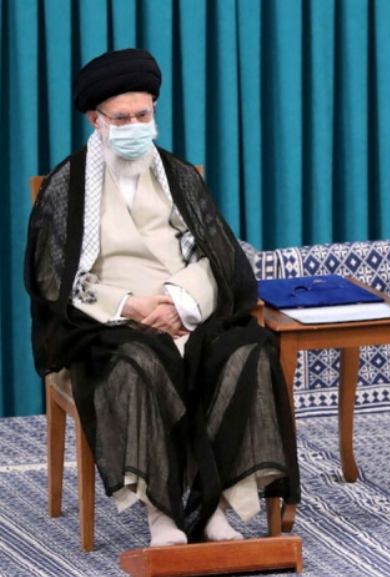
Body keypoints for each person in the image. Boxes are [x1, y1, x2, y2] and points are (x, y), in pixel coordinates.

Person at [25, 48, 300, 546]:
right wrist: (128, 306)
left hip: (187, 312)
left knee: (248, 351)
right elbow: (53, 279)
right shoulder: (66, 186)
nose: (135, 126)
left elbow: (218, 256)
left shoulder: (179, 176)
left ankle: (213, 506)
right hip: (109, 323)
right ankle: (163, 516)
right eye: (122, 118)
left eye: (143, 115)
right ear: (96, 120)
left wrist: (180, 304)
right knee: (138, 363)